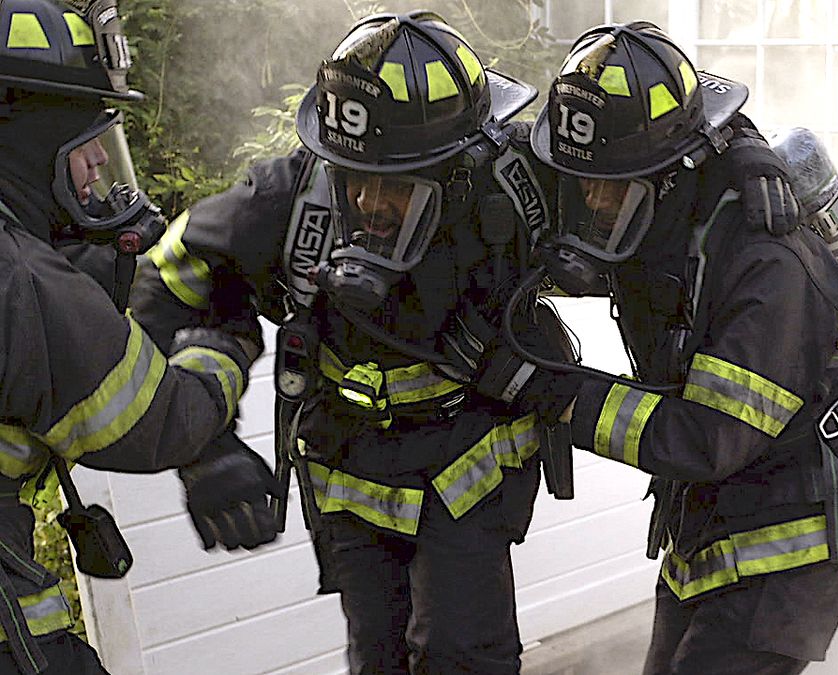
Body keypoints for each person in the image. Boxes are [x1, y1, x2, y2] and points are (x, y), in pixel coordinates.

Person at [130, 11, 574, 674]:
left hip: (469, 476)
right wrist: (202, 445)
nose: (369, 201)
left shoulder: (508, 184)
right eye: (352, 176)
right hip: (350, 484)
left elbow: (642, 151)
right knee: (377, 659)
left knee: (463, 653)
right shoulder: (284, 200)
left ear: (459, 168)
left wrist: (745, 158)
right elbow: (160, 286)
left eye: (397, 184)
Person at [523, 22, 838, 674]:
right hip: (714, 521)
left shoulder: (772, 261)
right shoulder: (655, 199)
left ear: (672, 172)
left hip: (800, 539)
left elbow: (705, 437)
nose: (592, 199)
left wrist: (550, 390)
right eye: (583, 182)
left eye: (612, 185)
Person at [0, 1, 280, 673]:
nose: (98, 164)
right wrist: (220, 341)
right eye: (81, 138)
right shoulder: (22, 280)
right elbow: (159, 420)